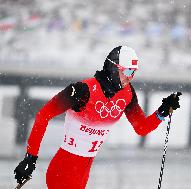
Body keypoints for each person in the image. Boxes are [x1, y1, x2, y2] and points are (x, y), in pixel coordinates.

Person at [14, 46, 181, 189]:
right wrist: (30, 158)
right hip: (62, 172)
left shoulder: (127, 94)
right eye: (128, 71)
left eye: (134, 72)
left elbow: (141, 127)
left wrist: (162, 111)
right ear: (114, 68)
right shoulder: (82, 90)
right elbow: (43, 115)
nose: (130, 77)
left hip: (83, 174)